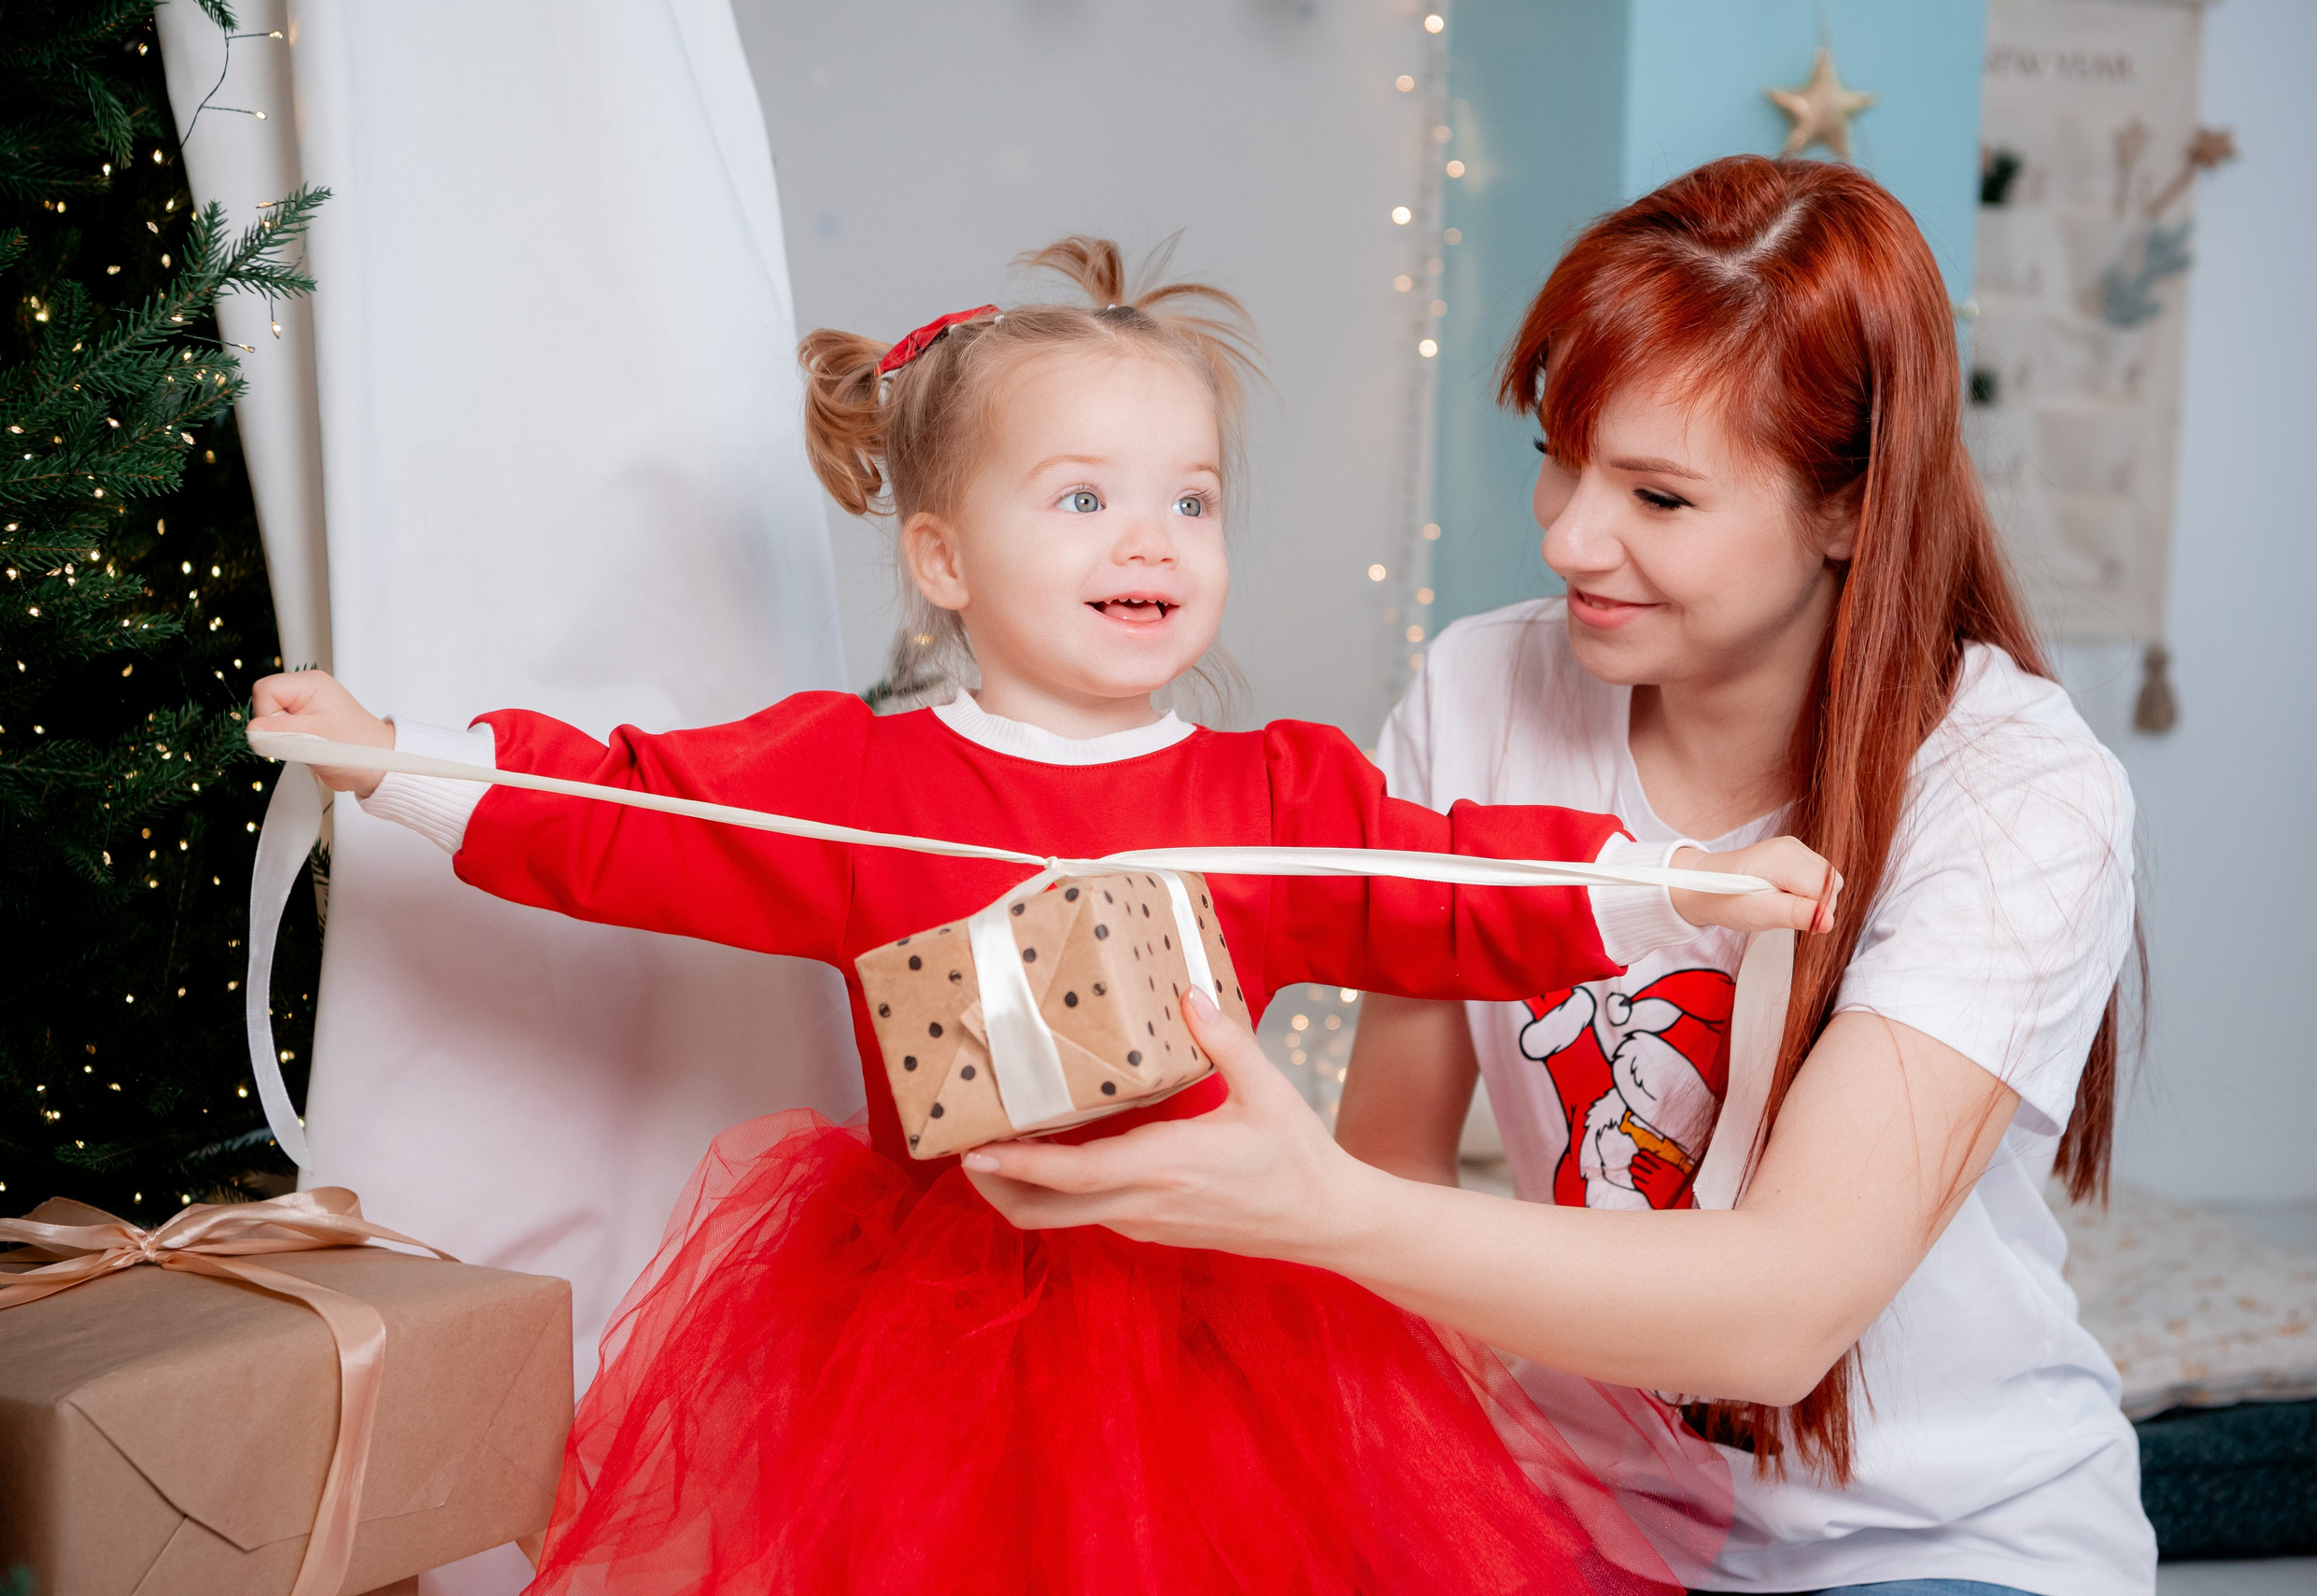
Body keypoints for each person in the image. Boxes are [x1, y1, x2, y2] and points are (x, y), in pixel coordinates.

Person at [249, 236, 1837, 1595]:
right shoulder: (856, 780)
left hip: (1228, 1317)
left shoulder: (1276, 793)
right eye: (1082, 499)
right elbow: (634, 817)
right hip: (921, 1333)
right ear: (941, 556)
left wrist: (1684, 882)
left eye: (1191, 501)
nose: (1151, 539)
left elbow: (1457, 875)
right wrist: (392, 761)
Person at [963, 162, 2155, 1596]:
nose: (1568, 534)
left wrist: (1307, 1203)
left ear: (1849, 508)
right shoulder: (1480, 689)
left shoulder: (2016, 784)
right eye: (1560, 455)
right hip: (1564, 1519)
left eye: (1657, 494)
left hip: (1941, 1545)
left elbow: (1780, 1315)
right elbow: (1398, 1150)